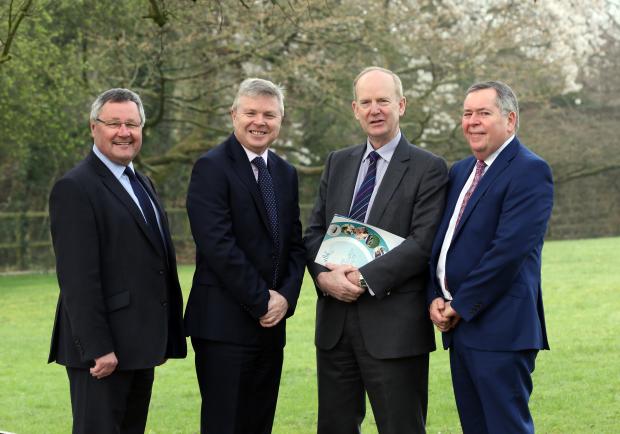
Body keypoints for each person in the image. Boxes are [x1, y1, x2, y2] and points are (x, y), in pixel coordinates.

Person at [304, 66, 448, 434]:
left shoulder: (428, 168)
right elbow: (315, 231)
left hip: (394, 327)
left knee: (401, 427)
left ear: (401, 105)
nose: (375, 109)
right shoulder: (338, 161)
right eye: (366, 102)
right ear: (355, 109)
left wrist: (362, 277)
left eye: (383, 100)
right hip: (335, 324)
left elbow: (422, 242)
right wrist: (324, 277)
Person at [48, 88, 187, 434]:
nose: (124, 132)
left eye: (132, 124)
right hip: (103, 354)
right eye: (114, 123)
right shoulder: (75, 188)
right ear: (94, 127)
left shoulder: (142, 183)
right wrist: (99, 348)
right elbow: (78, 279)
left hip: (139, 347)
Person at [427, 81, 554, 434]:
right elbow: (441, 245)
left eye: (484, 113)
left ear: (510, 120)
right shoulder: (461, 171)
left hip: (501, 330)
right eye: (467, 114)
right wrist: (434, 297)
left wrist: (460, 303)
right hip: (461, 326)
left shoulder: (530, 170)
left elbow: (507, 253)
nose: (472, 121)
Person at [184, 78, 305, 434]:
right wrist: (261, 300)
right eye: (250, 112)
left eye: (269, 114)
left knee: (258, 423)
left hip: (271, 327)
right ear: (234, 114)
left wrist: (285, 297)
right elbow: (217, 245)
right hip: (223, 326)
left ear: (281, 119)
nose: (259, 121)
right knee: (226, 424)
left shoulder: (285, 173)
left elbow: (295, 244)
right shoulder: (211, 168)